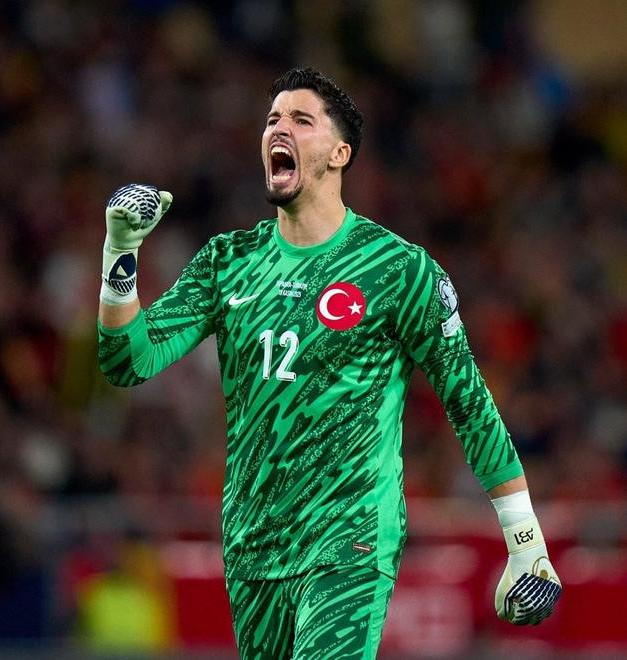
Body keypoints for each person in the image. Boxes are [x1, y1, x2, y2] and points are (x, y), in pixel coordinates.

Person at [97, 68, 562, 659]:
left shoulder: (397, 270)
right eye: (272, 119)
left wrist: (525, 539)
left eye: (300, 120)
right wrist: (120, 251)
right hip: (253, 546)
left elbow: (468, 403)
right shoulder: (227, 262)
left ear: (340, 153)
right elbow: (127, 361)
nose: (278, 129)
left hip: (350, 539)